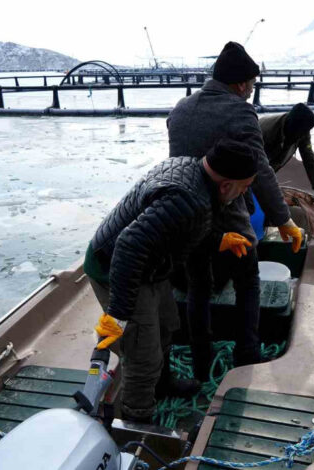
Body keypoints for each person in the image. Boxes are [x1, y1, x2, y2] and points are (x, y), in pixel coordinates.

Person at [83, 138, 257, 423]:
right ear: (226, 185)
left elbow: (173, 227)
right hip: (116, 267)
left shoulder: (191, 167)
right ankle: (136, 421)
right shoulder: (190, 199)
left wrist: (217, 240)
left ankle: (162, 387)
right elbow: (129, 246)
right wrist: (119, 315)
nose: (245, 193)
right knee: (143, 355)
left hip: (151, 266)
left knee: (167, 325)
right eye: (245, 187)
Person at [166, 41, 303, 377]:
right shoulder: (241, 111)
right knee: (248, 281)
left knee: (199, 284)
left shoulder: (180, 108)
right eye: (252, 86)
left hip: (187, 212)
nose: (251, 92)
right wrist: (285, 221)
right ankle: (246, 355)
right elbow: (260, 171)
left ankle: (200, 362)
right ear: (242, 84)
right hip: (229, 217)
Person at [259, 103, 314, 204]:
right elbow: (260, 168)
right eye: (300, 133)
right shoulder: (268, 132)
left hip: (268, 167)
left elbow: (309, 160)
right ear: (292, 126)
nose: (302, 136)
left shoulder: (302, 131)